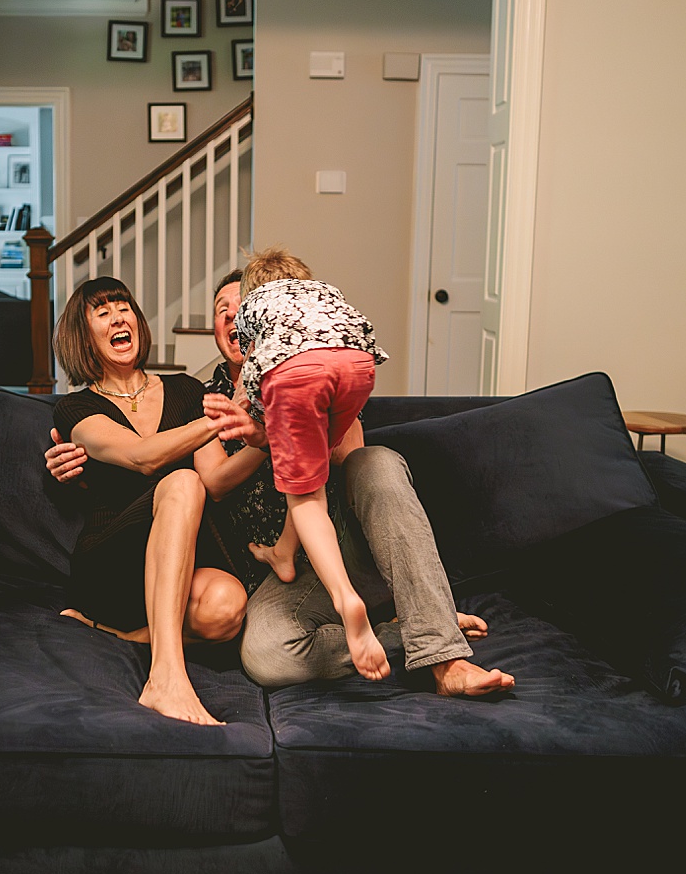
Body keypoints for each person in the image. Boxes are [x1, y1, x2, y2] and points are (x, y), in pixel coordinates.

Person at [50, 269, 515, 698]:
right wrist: (254, 426)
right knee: (266, 655)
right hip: (268, 575)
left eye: (242, 304)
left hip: (336, 545)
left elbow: (346, 466)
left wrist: (284, 419)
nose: (232, 315)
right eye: (220, 310)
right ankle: (418, 624)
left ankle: (443, 655)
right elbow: (206, 480)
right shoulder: (207, 394)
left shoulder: (301, 372)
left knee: (375, 464)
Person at [51, 276, 254, 727]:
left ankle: (119, 634)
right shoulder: (76, 409)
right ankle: (166, 677)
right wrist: (225, 417)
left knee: (227, 605)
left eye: (123, 307)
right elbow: (142, 458)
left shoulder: (185, 390)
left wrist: (265, 440)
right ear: (82, 336)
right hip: (112, 561)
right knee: (181, 482)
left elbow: (217, 480)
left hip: (174, 566)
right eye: (102, 312)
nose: (118, 317)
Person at [216, 248, 389, 680]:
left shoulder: (258, 318)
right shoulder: (323, 295)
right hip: (357, 365)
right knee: (312, 465)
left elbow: (264, 368)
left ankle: (345, 598)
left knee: (304, 495)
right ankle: (284, 552)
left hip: (295, 374)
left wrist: (257, 424)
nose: (234, 316)